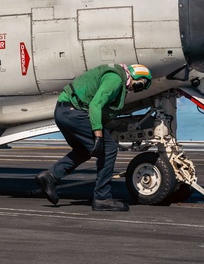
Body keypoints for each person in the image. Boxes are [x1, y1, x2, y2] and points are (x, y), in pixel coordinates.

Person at [35, 63, 152, 211]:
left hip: (63, 112)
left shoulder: (113, 73)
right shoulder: (115, 80)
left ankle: (50, 176)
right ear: (137, 77)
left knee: (84, 150)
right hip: (74, 113)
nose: (135, 90)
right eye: (139, 86)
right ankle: (102, 198)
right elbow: (95, 105)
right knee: (108, 149)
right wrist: (98, 135)